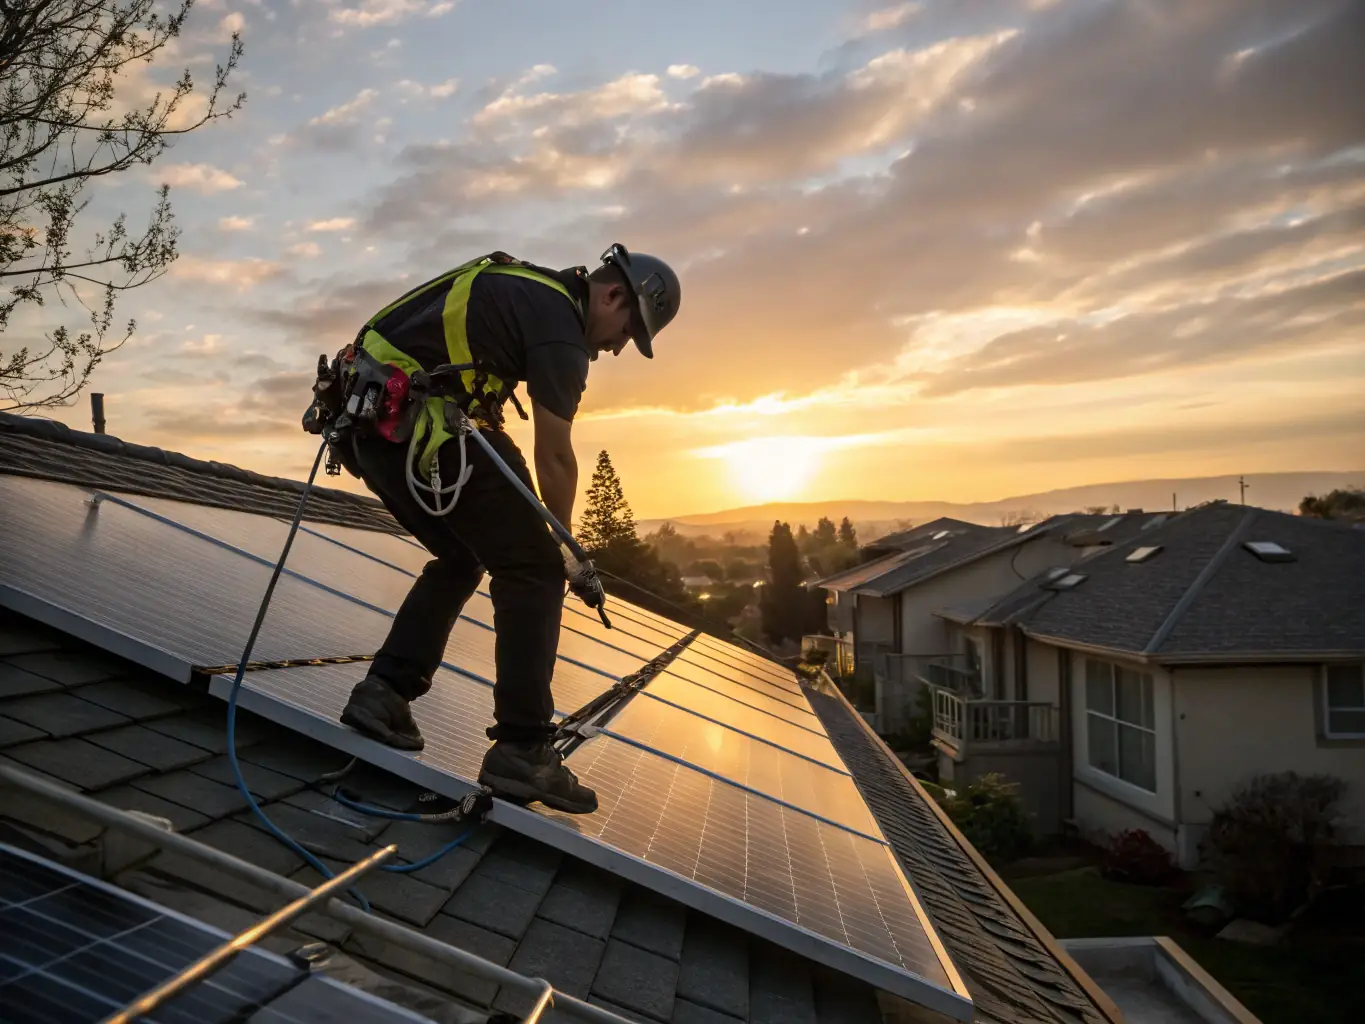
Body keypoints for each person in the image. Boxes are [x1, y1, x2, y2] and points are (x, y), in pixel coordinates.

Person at [333, 244, 680, 815]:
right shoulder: (561, 328)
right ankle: (523, 747)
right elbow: (556, 458)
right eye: (627, 330)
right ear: (613, 294)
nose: (617, 347)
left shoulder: (525, 293)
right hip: (418, 425)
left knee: (461, 555)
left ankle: (385, 692)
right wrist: (563, 553)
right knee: (533, 568)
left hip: (369, 431)